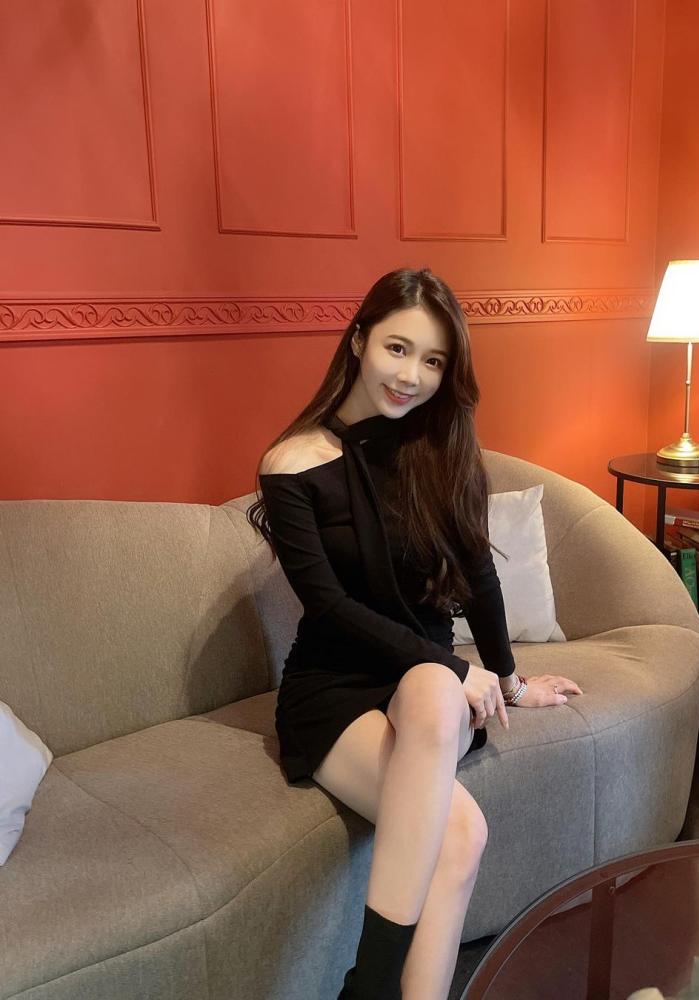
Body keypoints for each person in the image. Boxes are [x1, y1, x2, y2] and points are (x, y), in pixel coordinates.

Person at [247, 267, 582, 1000]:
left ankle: (368, 988)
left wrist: (509, 681)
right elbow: (327, 606)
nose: (411, 377)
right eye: (397, 349)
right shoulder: (292, 463)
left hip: (425, 687)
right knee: (462, 834)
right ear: (359, 340)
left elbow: (480, 577)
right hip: (332, 687)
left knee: (431, 686)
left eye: (433, 361)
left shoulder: (440, 450)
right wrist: (454, 667)